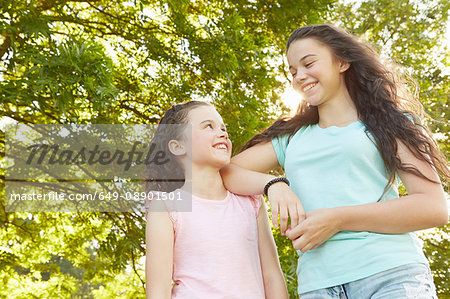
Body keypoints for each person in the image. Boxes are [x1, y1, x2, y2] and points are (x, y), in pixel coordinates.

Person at [220, 24, 449, 298]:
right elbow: (226, 173)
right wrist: (274, 184)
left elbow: (434, 207)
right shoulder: (291, 138)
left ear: (341, 61)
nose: (300, 76)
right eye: (293, 71)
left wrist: (338, 219)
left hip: (390, 276)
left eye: (308, 63)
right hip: (318, 285)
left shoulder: (391, 124)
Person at [144, 101, 288, 299]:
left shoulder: (250, 201)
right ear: (178, 147)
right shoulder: (166, 206)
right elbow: (157, 292)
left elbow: (272, 276)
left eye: (223, 128)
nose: (222, 133)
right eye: (208, 126)